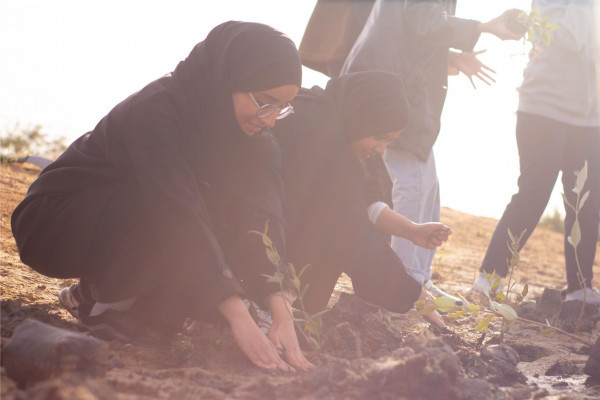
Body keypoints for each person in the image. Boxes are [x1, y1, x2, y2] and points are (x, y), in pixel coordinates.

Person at [11, 21, 314, 372]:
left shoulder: (253, 138)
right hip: (56, 222)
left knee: (221, 226)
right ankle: (110, 303)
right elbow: (175, 208)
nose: (272, 119)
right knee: (183, 209)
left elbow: (264, 218)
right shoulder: (156, 110)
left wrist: (281, 308)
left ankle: (96, 291)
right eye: (265, 103)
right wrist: (238, 315)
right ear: (229, 77)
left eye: (283, 107)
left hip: (139, 219)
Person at [340, 0, 522, 299]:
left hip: (396, 88)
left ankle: (418, 278)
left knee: (428, 187)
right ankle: (404, 281)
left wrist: (451, 58)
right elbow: (423, 18)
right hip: (397, 93)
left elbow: (412, 31)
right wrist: (483, 27)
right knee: (412, 184)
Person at [274, 71, 449, 327]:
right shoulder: (316, 131)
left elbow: (362, 199)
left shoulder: (343, 127)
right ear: (362, 115)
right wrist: (415, 294)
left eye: (389, 141)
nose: (382, 150)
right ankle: (273, 304)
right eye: (380, 137)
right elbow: (348, 226)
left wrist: (411, 231)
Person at [473, 0, 600, 304]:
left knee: (584, 201)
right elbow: (570, 38)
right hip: (543, 109)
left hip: (588, 117)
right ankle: (489, 278)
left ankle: (581, 288)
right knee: (534, 192)